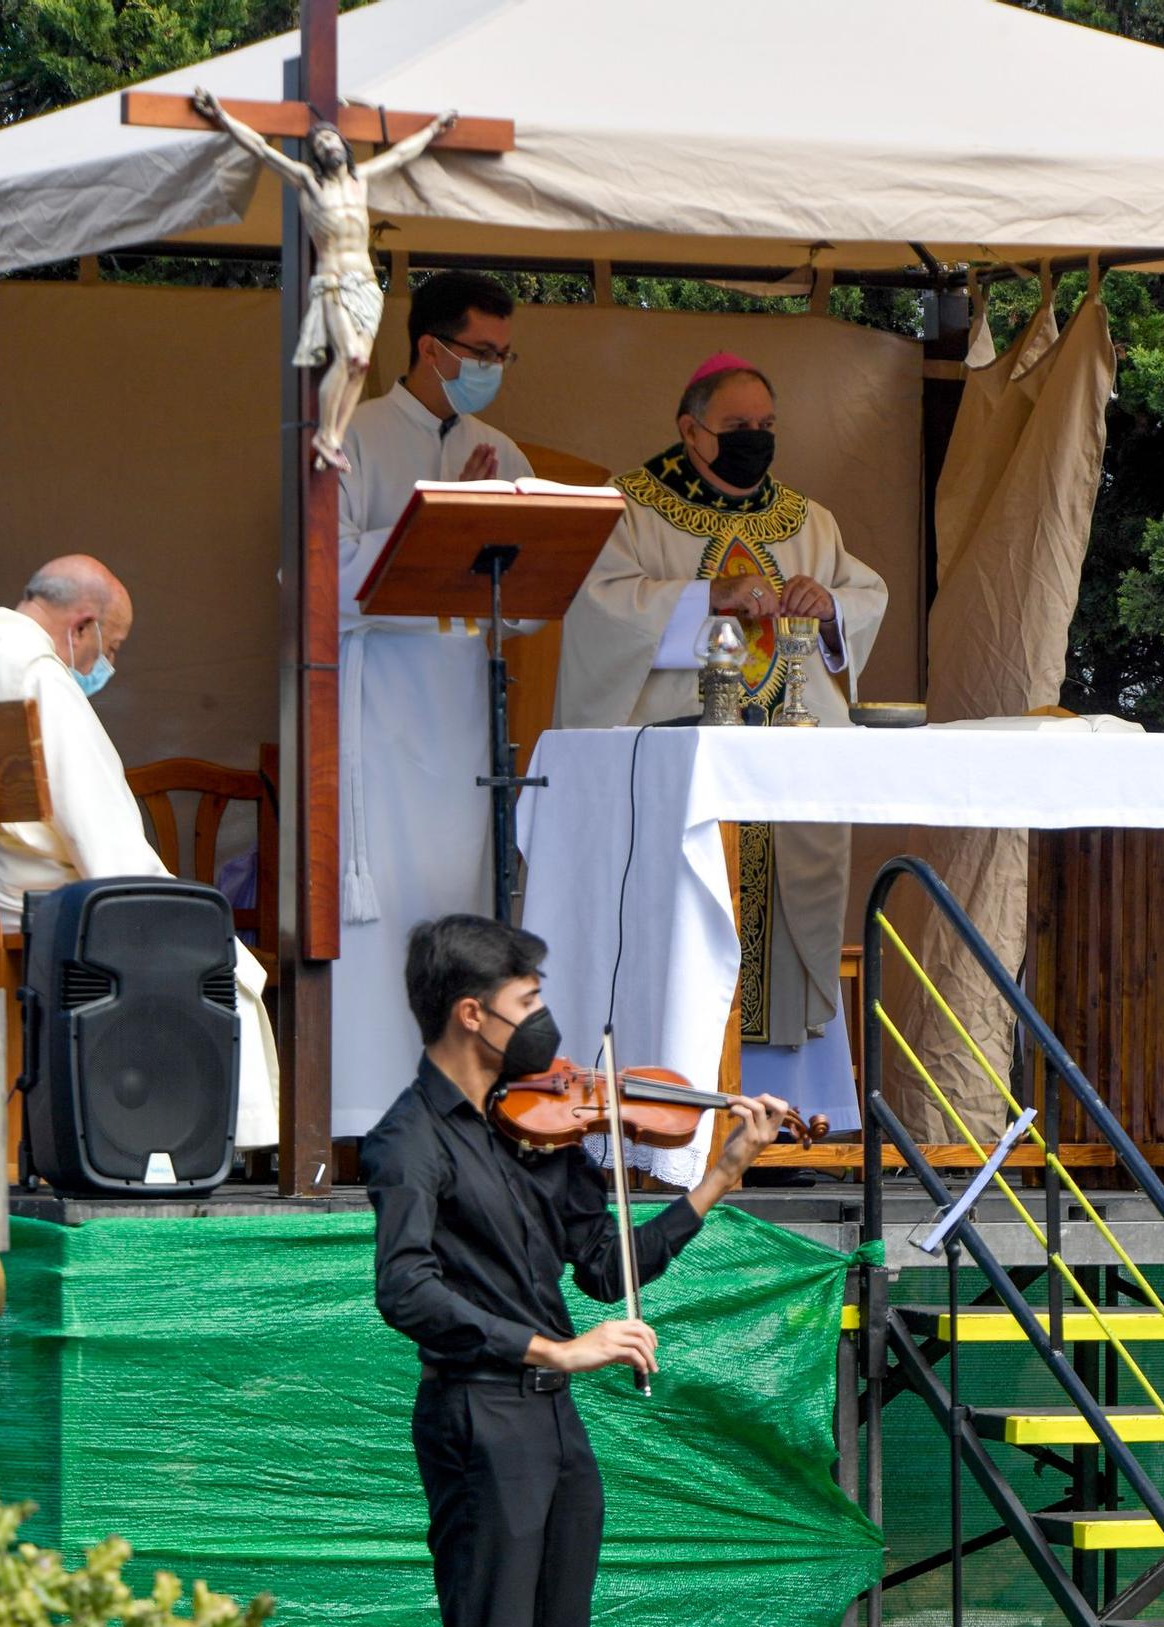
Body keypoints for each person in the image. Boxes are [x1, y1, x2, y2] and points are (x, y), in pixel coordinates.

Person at [362, 913, 787, 1627]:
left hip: (553, 1424)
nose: (540, 1012)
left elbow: (605, 1264)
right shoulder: (407, 1138)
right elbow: (404, 1288)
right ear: (472, 1011)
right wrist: (548, 1343)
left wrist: (718, 1171)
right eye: (526, 992)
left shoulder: (534, 1133)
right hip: (476, 1417)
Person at [555, 352, 888, 1125]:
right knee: (688, 927)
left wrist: (827, 604)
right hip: (683, 763)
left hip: (789, 770)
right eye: (738, 427)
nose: (756, 440)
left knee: (792, 924)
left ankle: (797, 1117)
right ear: (690, 429)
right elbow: (596, 609)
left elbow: (862, 593)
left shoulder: (808, 521)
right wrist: (708, 595)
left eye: (766, 426)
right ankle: (676, 1112)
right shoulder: (630, 508)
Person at [334, 271, 532, 1139]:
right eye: (480, 353)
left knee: (465, 912)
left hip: (463, 721)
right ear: (430, 348)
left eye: (502, 354)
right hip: (380, 716)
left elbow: (528, 598)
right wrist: (434, 522)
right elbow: (312, 577)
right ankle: (364, 1114)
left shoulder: (503, 449)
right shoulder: (351, 439)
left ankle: (464, 1108)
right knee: (385, 931)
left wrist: (486, 537)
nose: (492, 368)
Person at [0, 556, 278, 1147]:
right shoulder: (37, 673)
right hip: (45, 904)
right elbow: (103, 839)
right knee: (209, 946)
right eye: (112, 647)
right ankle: (172, 1144)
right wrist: (171, 898)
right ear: (82, 626)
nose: (109, 664)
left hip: (7, 889)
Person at [193, 89, 450, 471]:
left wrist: (432, 131)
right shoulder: (309, 183)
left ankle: (333, 438)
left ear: (344, 146)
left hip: (366, 284)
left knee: (360, 365)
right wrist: (221, 115)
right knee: (352, 356)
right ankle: (325, 434)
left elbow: (399, 155)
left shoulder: (359, 181)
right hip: (333, 281)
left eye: (331, 139)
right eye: (319, 142)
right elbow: (262, 152)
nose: (326, 145)